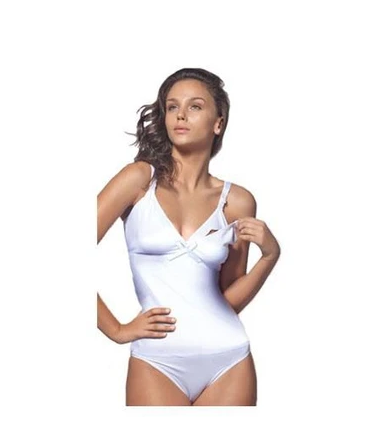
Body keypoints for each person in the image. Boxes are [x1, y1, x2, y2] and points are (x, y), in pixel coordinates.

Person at [97, 67, 281, 406]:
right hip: (157, 361)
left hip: (229, 359)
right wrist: (117, 329)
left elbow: (228, 300)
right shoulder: (139, 180)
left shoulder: (237, 201)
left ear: (218, 123)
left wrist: (269, 257)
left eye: (195, 106)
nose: (181, 114)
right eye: (172, 106)